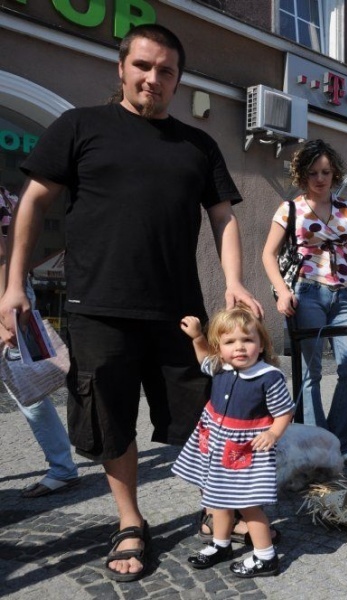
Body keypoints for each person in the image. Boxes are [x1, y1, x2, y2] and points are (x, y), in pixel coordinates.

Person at [0, 24, 261, 581]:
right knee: (111, 421)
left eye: (166, 70)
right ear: (121, 68)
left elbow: (223, 217)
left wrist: (234, 282)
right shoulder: (79, 127)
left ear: (178, 80)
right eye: (143, 65)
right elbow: (34, 202)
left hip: (180, 312)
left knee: (205, 416)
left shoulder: (198, 145)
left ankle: (215, 507)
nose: (153, 78)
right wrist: (14, 284)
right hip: (99, 306)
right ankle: (129, 521)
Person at [262, 139, 347, 463]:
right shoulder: (290, 209)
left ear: (334, 172)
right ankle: (318, 448)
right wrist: (282, 291)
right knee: (310, 372)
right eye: (313, 172)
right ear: (302, 174)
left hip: (344, 295)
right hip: (306, 291)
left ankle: (338, 443)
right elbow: (268, 254)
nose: (320, 178)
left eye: (325, 172)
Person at [173, 306, 293, 578]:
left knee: (249, 505)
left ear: (261, 344)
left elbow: (284, 412)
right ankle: (221, 544)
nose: (239, 347)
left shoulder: (268, 377)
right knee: (217, 500)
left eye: (247, 340)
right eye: (229, 342)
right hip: (216, 446)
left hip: (245, 451)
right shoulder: (221, 366)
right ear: (220, 347)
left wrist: (273, 434)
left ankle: (266, 556)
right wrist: (197, 337)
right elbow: (204, 359)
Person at [0, 185, 79, 498]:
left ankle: (62, 468)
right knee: (25, 386)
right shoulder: (8, 195)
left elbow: (2, 255)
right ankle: (62, 467)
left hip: (5, 296)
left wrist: (4, 309)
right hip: (12, 292)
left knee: (26, 385)